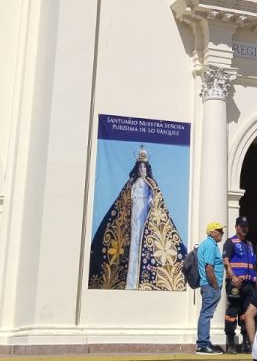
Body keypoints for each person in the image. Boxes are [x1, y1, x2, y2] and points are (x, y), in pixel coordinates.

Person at [87, 146, 187, 290]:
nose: (142, 170)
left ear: (147, 169)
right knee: (133, 240)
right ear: (137, 169)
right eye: (140, 168)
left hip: (145, 213)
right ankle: (129, 280)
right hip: (134, 213)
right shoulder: (131, 184)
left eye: (144, 168)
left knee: (142, 238)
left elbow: (156, 198)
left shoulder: (152, 184)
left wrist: (152, 201)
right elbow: (125, 199)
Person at [223, 216, 257, 354]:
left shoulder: (249, 244)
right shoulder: (230, 242)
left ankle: (245, 342)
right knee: (233, 311)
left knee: (246, 313)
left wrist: (255, 280)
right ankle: (230, 342)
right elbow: (226, 261)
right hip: (235, 283)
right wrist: (233, 277)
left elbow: (253, 264)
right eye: (242, 226)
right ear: (236, 227)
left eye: (246, 226)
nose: (244, 229)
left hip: (249, 284)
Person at [196, 222, 227, 356]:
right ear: (212, 232)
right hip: (210, 286)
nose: (222, 233)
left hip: (208, 285)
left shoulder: (207, 244)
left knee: (206, 314)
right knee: (206, 314)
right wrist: (215, 286)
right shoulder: (210, 245)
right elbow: (209, 268)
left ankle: (205, 343)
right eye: (219, 230)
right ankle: (203, 345)